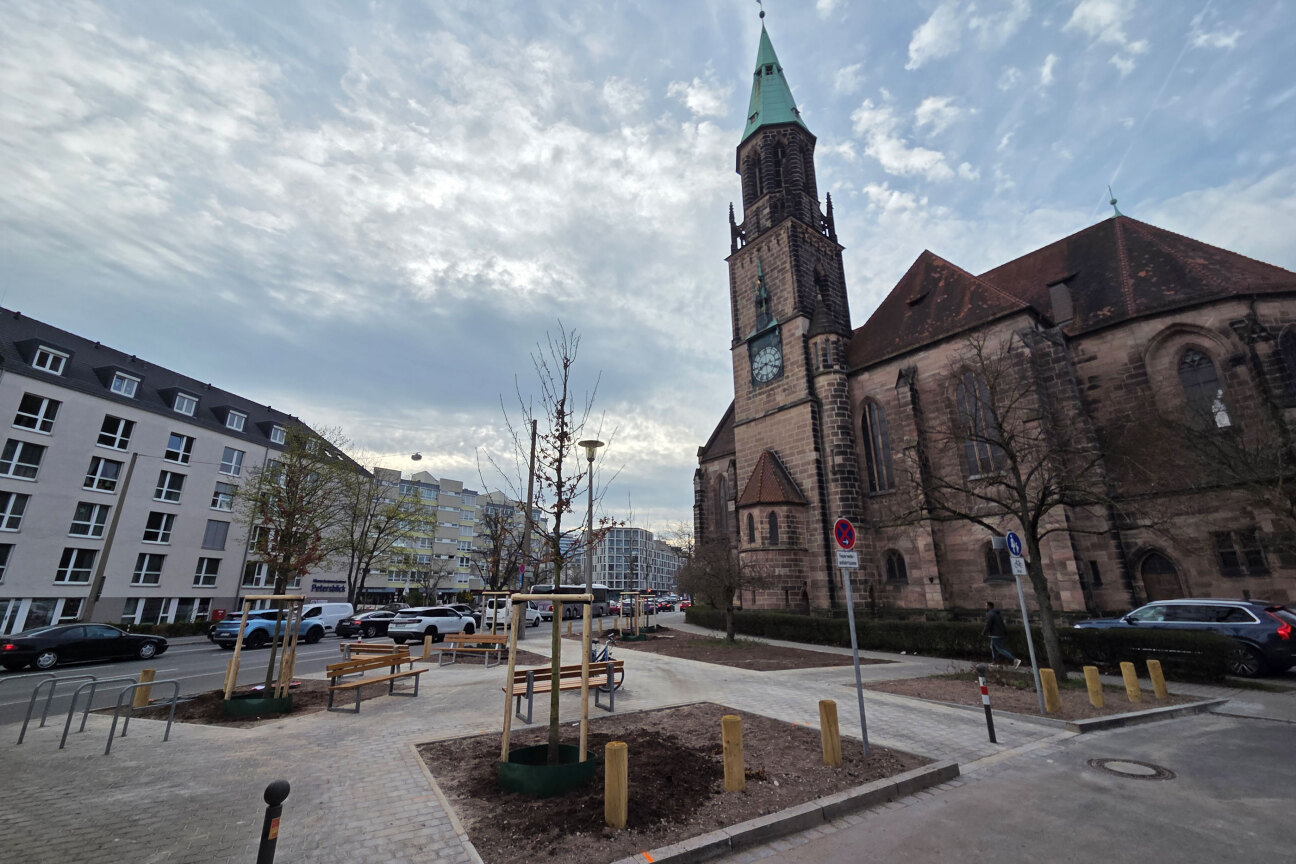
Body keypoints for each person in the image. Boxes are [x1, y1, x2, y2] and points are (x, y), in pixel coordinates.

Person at [983, 601, 1022, 668]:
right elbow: (1001, 624)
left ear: (989, 606)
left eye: (985, 605)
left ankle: (1015, 660)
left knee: (1000, 648)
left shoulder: (990, 614)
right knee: (993, 647)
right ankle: (995, 661)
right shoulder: (996, 613)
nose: (984, 607)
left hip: (995, 634)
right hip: (998, 634)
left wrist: (984, 632)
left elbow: (988, 624)